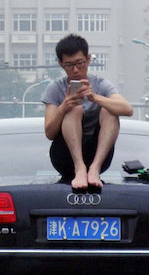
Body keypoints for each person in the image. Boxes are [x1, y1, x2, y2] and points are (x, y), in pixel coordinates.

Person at [42, 34, 133, 190]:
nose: (76, 70)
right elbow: (49, 132)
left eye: (80, 63)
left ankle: (94, 169)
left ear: (88, 59)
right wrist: (64, 106)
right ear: (61, 64)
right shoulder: (55, 88)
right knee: (74, 109)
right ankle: (80, 169)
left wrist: (94, 97)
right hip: (65, 158)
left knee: (110, 110)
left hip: (96, 156)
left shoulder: (101, 84)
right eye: (69, 65)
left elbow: (127, 109)